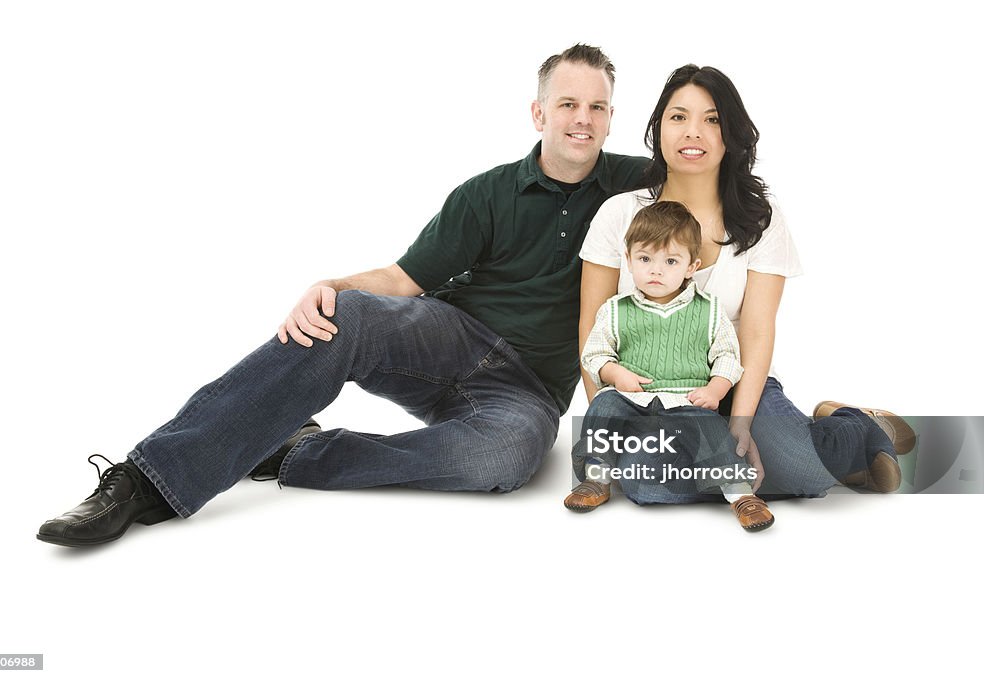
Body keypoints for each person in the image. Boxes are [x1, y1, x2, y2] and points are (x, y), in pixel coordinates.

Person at [37, 44, 649, 547]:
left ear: (611, 116)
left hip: (531, 390)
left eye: (597, 107)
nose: (583, 120)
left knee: (503, 461)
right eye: (568, 103)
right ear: (539, 113)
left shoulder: (636, 185)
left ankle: (294, 452)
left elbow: (713, 179)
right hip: (449, 340)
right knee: (344, 316)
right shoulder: (484, 195)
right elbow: (404, 281)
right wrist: (330, 287)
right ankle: (147, 480)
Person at [577, 64, 913, 503]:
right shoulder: (619, 214)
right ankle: (758, 469)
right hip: (650, 393)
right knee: (645, 484)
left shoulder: (760, 218)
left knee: (803, 474)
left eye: (711, 119)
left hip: (734, 377)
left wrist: (739, 421)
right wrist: (614, 430)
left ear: (730, 133)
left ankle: (855, 425)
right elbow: (592, 325)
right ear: (658, 128)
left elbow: (756, 330)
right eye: (678, 117)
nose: (692, 132)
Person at [565, 200, 774, 531]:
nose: (656, 270)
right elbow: (594, 354)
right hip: (633, 397)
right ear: (629, 260)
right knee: (604, 405)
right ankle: (596, 478)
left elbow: (728, 357)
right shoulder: (616, 310)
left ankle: (740, 494)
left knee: (711, 430)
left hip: (686, 397)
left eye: (671, 261)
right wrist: (614, 373)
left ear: (692, 267)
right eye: (645, 259)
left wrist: (715, 388)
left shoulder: (709, 310)